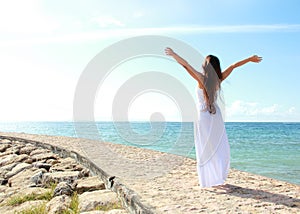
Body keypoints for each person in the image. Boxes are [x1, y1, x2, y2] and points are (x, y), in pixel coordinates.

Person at [165, 47, 262, 188]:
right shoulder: (219, 80)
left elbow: (185, 64)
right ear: (217, 67)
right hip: (215, 116)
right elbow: (233, 66)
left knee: (204, 147)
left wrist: (174, 54)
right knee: (219, 146)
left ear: (205, 66)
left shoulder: (201, 78)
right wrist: (249, 59)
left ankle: (207, 178)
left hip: (203, 115)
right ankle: (218, 176)